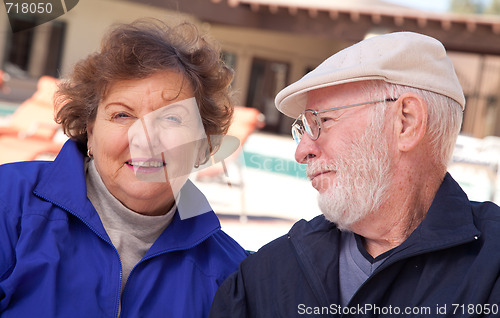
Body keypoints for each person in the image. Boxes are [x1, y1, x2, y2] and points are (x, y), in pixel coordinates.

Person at [209, 32, 500, 317]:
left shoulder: (492, 272)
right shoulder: (267, 275)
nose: (302, 152)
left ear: (406, 122)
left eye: (322, 121)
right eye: (304, 129)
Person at [0, 19, 248, 317]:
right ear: (89, 130)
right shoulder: (9, 204)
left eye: (172, 119)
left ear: (203, 145)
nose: (145, 139)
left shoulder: (229, 274)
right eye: (122, 115)